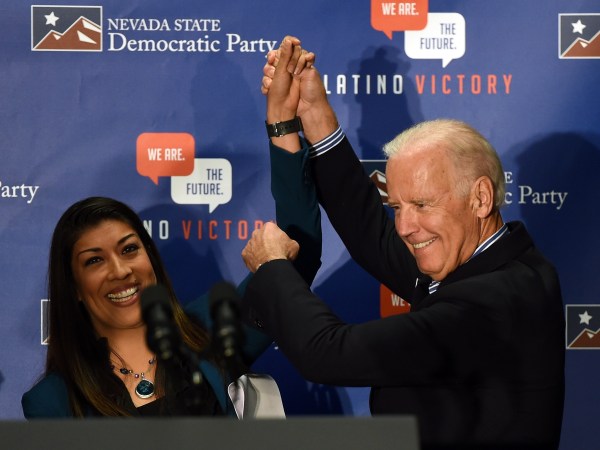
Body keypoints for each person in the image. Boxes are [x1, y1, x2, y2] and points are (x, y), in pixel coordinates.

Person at [241, 37, 565, 448]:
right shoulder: (495, 263)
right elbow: (371, 234)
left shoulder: (494, 300)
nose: (406, 226)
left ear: (480, 197)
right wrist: (313, 113)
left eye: (422, 204)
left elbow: (328, 353)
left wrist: (272, 269)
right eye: (397, 206)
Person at [22, 191, 321, 416]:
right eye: (95, 260)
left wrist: (282, 127)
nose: (120, 270)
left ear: (150, 257)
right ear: (73, 286)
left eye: (129, 249)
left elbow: (295, 255)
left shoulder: (209, 328)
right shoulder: (52, 402)